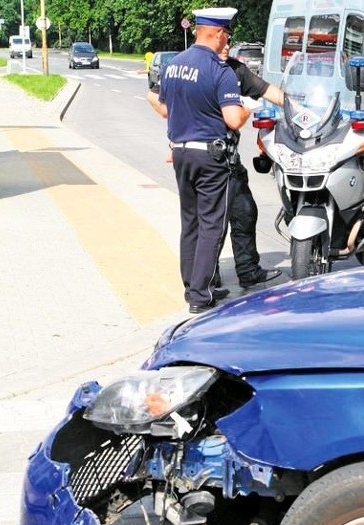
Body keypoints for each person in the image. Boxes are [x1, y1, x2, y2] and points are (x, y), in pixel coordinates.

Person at [147, 7, 250, 314]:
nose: (226, 41)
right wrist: (247, 110)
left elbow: (163, 107)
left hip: (180, 153)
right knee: (211, 226)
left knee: (189, 222)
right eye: (227, 35)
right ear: (218, 33)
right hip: (210, 156)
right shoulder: (221, 72)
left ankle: (191, 284)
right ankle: (201, 296)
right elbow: (233, 120)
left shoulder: (175, 65)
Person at [218, 43, 283, 289]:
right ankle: (207, 279)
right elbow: (156, 96)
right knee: (213, 223)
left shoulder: (235, 70)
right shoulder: (200, 68)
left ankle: (248, 270)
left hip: (230, 159)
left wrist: (296, 106)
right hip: (207, 161)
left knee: (244, 212)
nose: (226, 47)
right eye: (220, 40)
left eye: (228, 40)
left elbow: (266, 90)